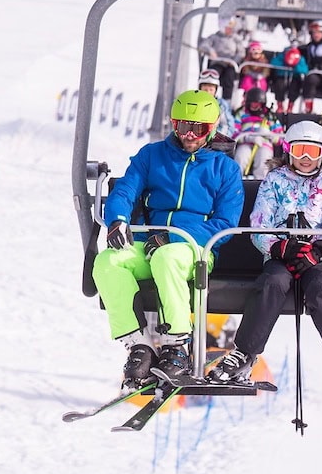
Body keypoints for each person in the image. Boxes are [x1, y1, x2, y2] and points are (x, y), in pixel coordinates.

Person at [93, 90, 244, 388]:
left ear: (211, 128)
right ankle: (140, 345)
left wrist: (173, 239)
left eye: (198, 129)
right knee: (107, 262)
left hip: (195, 250)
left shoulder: (224, 168)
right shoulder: (153, 156)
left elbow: (225, 222)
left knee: (167, 257)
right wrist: (118, 220)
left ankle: (176, 347)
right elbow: (125, 190)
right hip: (148, 243)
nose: (189, 135)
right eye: (182, 126)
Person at [208, 120, 322, 391]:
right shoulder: (275, 181)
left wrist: (321, 248)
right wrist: (276, 246)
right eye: (299, 151)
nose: (305, 158)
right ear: (288, 151)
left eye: (313, 152)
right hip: (280, 256)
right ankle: (245, 352)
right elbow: (259, 221)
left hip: (316, 258)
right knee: (272, 284)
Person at [232, 87, 285, 176]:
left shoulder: (269, 116)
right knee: (241, 157)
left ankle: (260, 182)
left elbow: (280, 137)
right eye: (252, 104)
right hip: (246, 143)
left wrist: (269, 135)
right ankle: (236, 180)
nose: (254, 107)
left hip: (264, 144)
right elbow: (233, 133)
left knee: (263, 160)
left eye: (257, 105)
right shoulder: (241, 113)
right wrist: (247, 138)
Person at [198, 20, 243, 100]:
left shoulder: (235, 39)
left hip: (230, 63)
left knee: (229, 77)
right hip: (217, 62)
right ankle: (206, 95)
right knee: (212, 76)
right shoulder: (215, 37)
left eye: (231, 28)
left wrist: (234, 61)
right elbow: (203, 45)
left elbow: (241, 52)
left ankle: (227, 100)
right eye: (227, 28)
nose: (229, 30)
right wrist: (211, 51)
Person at [197, 69, 237, 139]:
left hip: (214, 140)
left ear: (216, 90)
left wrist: (217, 138)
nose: (208, 92)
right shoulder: (195, 103)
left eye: (211, 90)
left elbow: (228, 125)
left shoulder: (221, 105)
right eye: (205, 90)